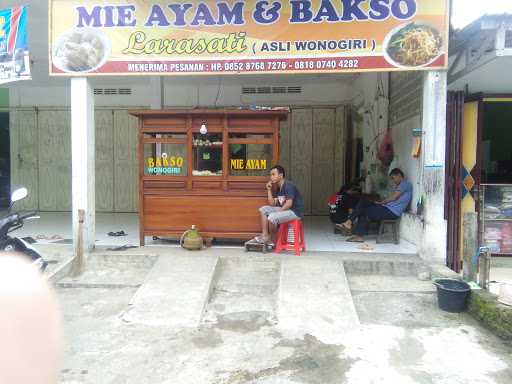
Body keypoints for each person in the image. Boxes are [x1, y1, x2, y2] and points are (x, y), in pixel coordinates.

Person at [337, 168, 412, 242]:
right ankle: (352, 226)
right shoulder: (401, 186)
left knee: (363, 210)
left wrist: (382, 202)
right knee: (364, 202)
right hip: (387, 208)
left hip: (392, 212)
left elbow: (394, 197)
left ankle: (352, 226)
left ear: (399, 175)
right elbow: (393, 198)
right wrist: (381, 202)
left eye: (393, 178)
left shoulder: (405, 184)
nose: (393, 181)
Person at [252, 165, 304, 244]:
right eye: (270, 175)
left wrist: (277, 212)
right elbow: (272, 203)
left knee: (272, 217)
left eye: (273, 174)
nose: (271, 177)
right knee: (263, 210)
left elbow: (289, 204)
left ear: (280, 175)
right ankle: (265, 235)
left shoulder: (288, 186)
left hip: (294, 212)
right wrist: (269, 190)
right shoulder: (279, 188)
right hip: (286, 210)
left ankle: (272, 239)